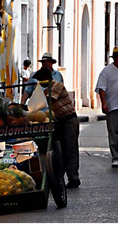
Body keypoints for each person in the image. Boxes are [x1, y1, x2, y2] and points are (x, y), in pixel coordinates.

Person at [24, 54, 81, 188]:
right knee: (58, 149)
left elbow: (45, 102)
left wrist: (30, 111)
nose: (40, 83)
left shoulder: (56, 85)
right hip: (58, 121)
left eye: (41, 80)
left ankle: (73, 178)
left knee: (70, 149)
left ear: (46, 79)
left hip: (69, 120)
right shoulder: (45, 90)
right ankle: (58, 178)